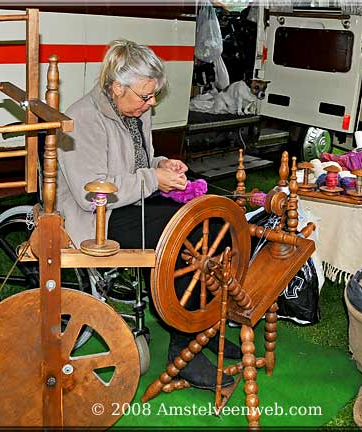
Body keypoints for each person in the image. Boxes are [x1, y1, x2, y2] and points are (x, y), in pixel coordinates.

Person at [57, 39, 241, 390]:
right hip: (98, 218)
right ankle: (182, 349)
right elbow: (90, 193)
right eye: (146, 95)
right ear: (116, 86)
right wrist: (153, 178)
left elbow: (137, 163)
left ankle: (205, 329)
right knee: (188, 239)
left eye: (153, 94)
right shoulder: (81, 118)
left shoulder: (135, 110)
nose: (152, 102)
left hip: (131, 201)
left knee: (214, 223)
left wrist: (161, 165)